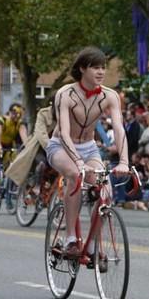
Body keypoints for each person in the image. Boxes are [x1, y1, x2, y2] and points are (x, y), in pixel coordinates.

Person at [46, 47, 129, 258]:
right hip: (61, 146)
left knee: (106, 192)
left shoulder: (110, 95)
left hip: (89, 147)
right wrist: (78, 162)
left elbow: (118, 128)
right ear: (82, 69)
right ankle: (71, 238)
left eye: (103, 67)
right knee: (75, 175)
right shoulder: (65, 94)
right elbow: (64, 132)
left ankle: (91, 244)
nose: (101, 72)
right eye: (95, 67)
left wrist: (124, 161)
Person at [0, 103, 28, 188]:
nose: (16, 116)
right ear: (10, 112)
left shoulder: (19, 123)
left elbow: (24, 135)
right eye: (14, 113)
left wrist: (27, 147)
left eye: (19, 114)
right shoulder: (1, 120)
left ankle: (10, 182)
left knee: (14, 159)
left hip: (9, 145)